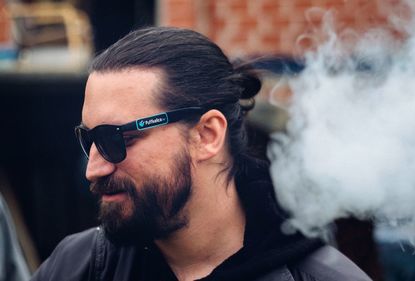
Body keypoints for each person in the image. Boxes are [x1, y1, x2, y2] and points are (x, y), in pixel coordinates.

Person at [31, 26, 371, 281]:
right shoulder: (77, 266)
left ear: (207, 135)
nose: (94, 169)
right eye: (89, 139)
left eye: (118, 138)